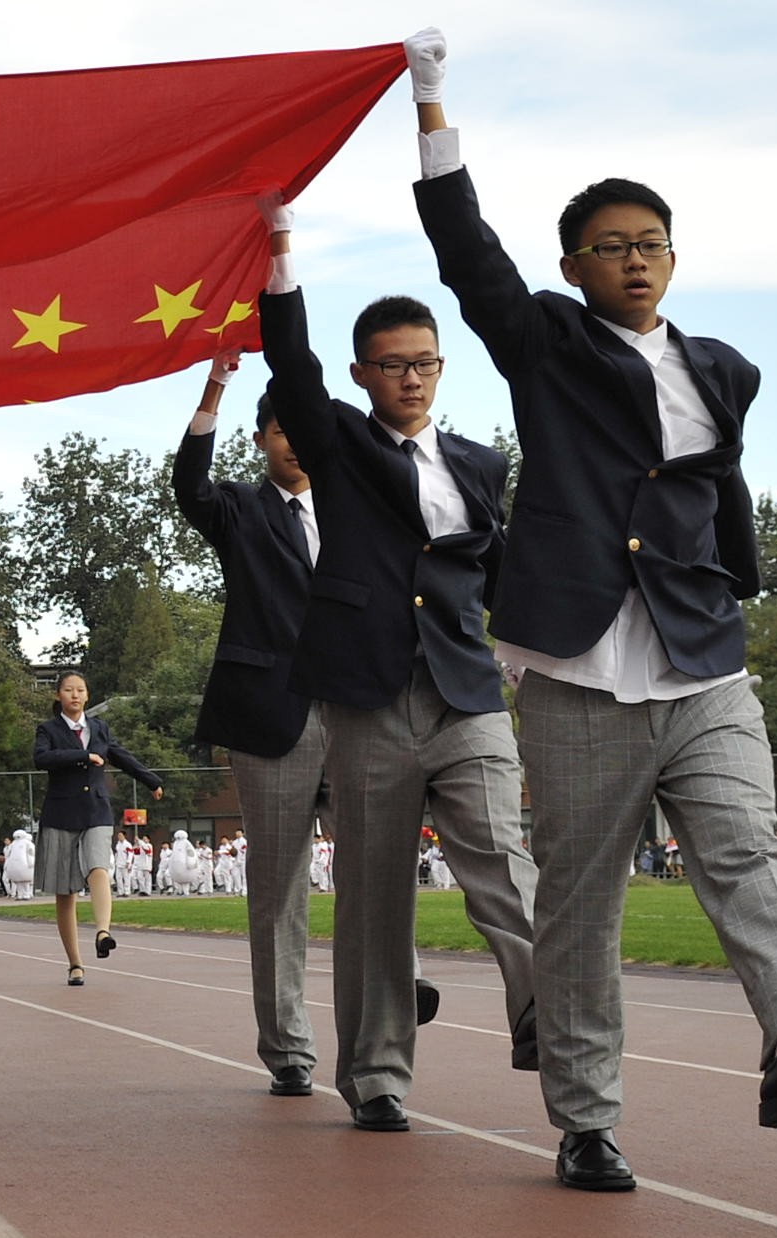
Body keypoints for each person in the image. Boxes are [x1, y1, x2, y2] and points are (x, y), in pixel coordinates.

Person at [410, 25, 777, 1184]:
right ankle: (584, 1121)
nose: (634, 261)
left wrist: (730, 588)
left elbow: (718, 491)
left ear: (673, 259)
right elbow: (465, 255)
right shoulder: (545, 343)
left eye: (651, 244)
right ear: (572, 265)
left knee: (744, 850)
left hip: (701, 662)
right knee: (579, 909)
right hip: (576, 672)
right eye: (611, 246)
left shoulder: (721, 369)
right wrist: (430, 105)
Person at [259, 199, 547, 1141]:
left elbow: (501, 574)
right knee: (376, 903)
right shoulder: (338, 443)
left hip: (467, 693)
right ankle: (377, 1077)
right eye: (393, 364)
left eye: (425, 362)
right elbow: (291, 367)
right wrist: (280, 251)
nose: (412, 377)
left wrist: (542, 654)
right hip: (370, 699)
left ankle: (546, 1012)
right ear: (362, 373)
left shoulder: (480, 464)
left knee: (502, 860)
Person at [172, 348, 331, 1092]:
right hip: (272, 717)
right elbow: (188, 486)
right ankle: (289, 1048)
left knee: (382, 866)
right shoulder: (239, 508)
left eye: (306, 426)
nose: (295, 440)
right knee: (279, 892)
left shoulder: (357, 507)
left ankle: (403, 979)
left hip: (361, 710)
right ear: (262, 437)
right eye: (281, 428)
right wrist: (215, 387)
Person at [30, 670, 162, 989]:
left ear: (87, 695)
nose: (75, 695)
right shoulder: (48, 729)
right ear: (58, 695)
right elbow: (41, 758)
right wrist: (83, 756)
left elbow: (121, 756)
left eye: (80, 690)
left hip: (96, 810)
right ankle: (75, 964)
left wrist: (151, 780)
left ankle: (103, 931)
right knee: (66, 893)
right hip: (61, 813)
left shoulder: (99, 727)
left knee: (99, 868)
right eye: (68, 690)